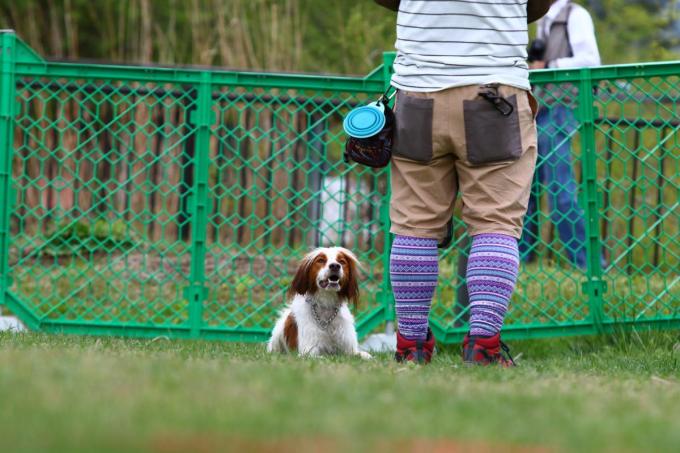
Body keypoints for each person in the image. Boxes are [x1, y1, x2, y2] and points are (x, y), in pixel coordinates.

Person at [374, 0, 549, 365]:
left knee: (414, 225)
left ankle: (410, 346)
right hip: (496, 92)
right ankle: (484, 346)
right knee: (495, 223)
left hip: (418, 90)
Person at [520, 0, 601, 269]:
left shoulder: (574, 16)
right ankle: (523, 259)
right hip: (541, 109)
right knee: (525, 186)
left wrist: (547, 64)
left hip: (562, 108)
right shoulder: (544, 20)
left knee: (560, 188)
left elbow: (590, 60)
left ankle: (589, 265)